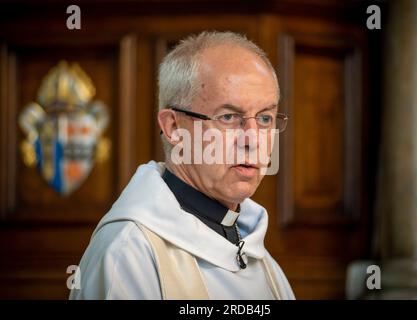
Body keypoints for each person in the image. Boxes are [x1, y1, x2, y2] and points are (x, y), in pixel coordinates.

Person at [69, 31, 295, 300]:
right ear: (174, 127)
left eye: (265, 119)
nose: (253, 140)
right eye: (229, 117)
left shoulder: (260, 257)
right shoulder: (129, 253)